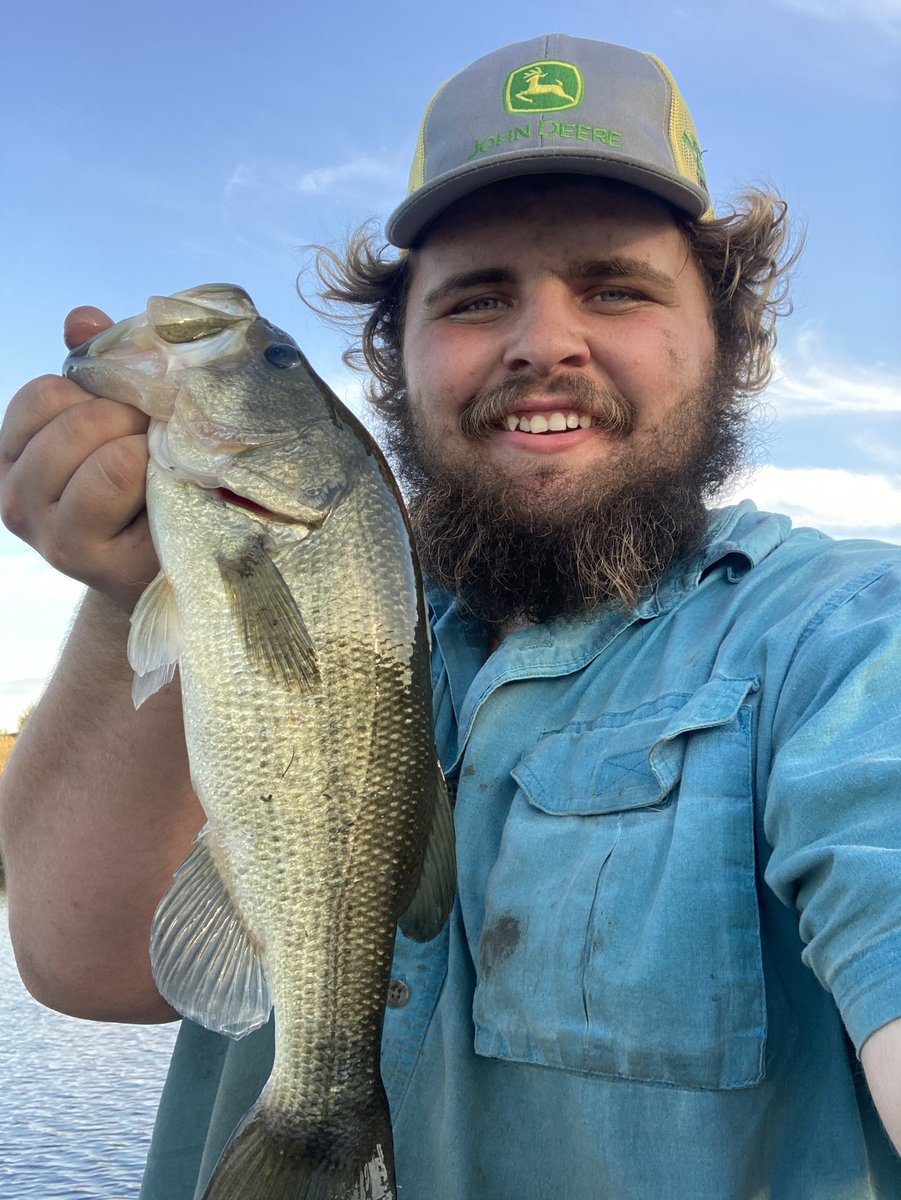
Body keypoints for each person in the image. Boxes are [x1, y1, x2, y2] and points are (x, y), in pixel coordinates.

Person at [2, 32, 901, 1200]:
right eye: (478, 298)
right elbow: (84, 964)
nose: (541, 343)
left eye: (614, 288)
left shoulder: (846, 640)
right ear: (394, 352)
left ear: (727, 342)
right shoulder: (288, 600)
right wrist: (126, 587)